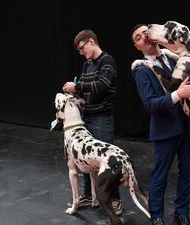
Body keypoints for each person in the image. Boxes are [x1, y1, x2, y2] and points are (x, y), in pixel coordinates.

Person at [131, 24, 190, 225]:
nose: (144, 37)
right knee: (160, 176)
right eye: (138, 37)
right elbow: (150, 104)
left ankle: (181, 213)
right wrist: (178, 95)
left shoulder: (173, 57)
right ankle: (157, 216)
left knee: (188, 173)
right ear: (138, 47)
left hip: (188, 126)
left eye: (145, 33)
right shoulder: (141, 69)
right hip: (165, 130)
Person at [62, 29, 122, 216]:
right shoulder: (87, 64)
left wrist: (77, 86)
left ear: (90, 42)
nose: (82, 53)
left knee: (107, 160)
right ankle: (89, 195)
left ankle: (115, 200)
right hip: (87, 117)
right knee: (86, 159)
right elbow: (87, 89)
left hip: (102, 118)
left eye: (82, 48)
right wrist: (76, 94)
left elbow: (103, 85)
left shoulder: (107, 60)